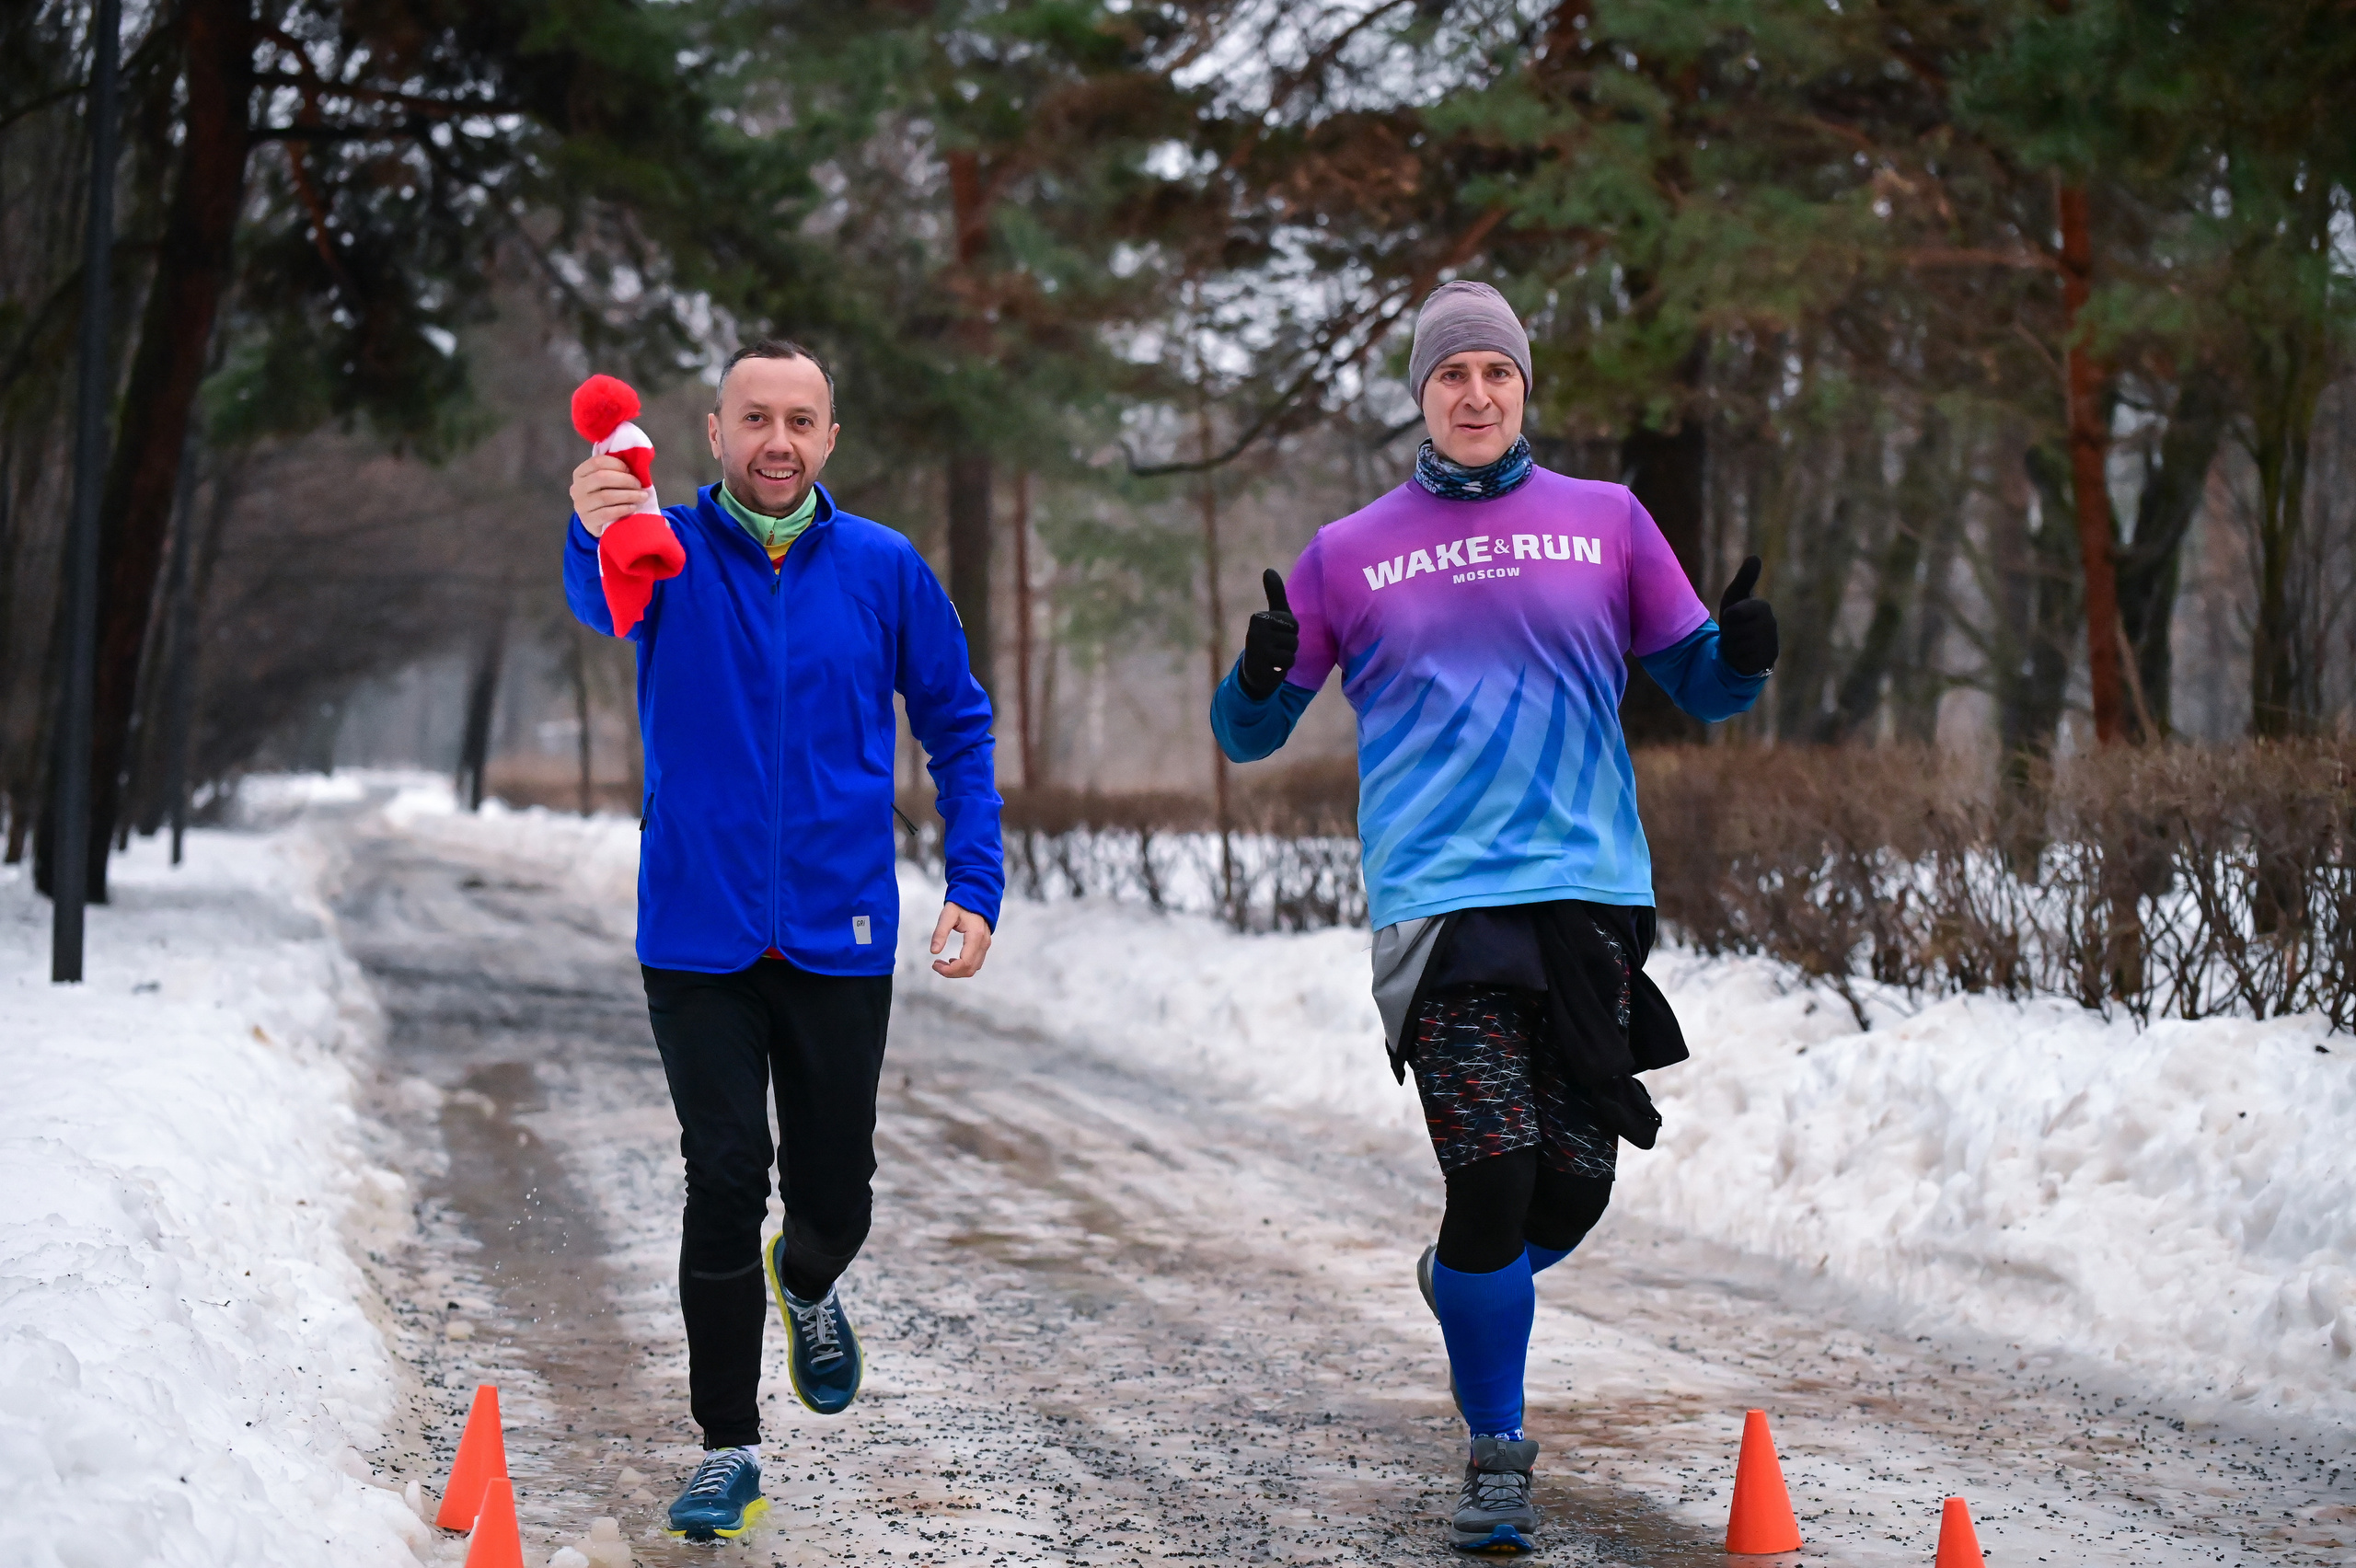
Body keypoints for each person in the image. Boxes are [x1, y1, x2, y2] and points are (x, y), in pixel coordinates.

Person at [1210, 282, 1776, 1555]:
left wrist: (1743, 652)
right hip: (1442, 909)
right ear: (1421, 395)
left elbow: (1706, 688)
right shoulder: (1348, 550)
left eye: (1497, 375)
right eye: (1451, 375)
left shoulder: (1608, 522)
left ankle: (1463, 1290)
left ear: (1526, 390)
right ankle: (1497, 1449)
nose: (1475, 395)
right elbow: (1249, 735)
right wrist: (1253, 675)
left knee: (1569, 1197)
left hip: (1588, 898)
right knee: (1494, 1174)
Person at [563, 340, 1003, 1542]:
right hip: (698, 932)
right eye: (754, 417)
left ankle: (806, 1278)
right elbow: (598, 595)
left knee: (835, 1198)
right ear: (712, 431)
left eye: (800, 420)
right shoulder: (666, 549)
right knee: (721, 1175)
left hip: (839, 930)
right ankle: (726, 1447)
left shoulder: (883, 569)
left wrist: (976, 881)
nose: (777, 440)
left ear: (829, 439)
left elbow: (959, 726)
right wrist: (591, 520)